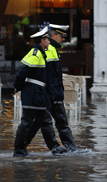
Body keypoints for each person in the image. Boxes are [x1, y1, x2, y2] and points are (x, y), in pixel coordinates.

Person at [13, 28, 67, 157]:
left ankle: (54, 147)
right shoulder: (35, 54)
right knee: (26, 123)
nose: (49, 41)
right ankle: (19, 150)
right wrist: (18, 88)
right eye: (47, 39)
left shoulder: (42, 53)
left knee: (46, 120)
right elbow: (21, 73)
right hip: (32, 94)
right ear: (42, 41)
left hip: (39, 94)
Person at [26, 24, 78, 152]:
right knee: (43, 122)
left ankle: (68, 148)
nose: (64, 39)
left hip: (53, 94)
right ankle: (22, 145)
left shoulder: (52, 50)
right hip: (50, 94)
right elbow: (47, 75)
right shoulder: (49, 50)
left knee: (49, 122)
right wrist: (52, 94)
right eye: (62, 36)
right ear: (53, 35)